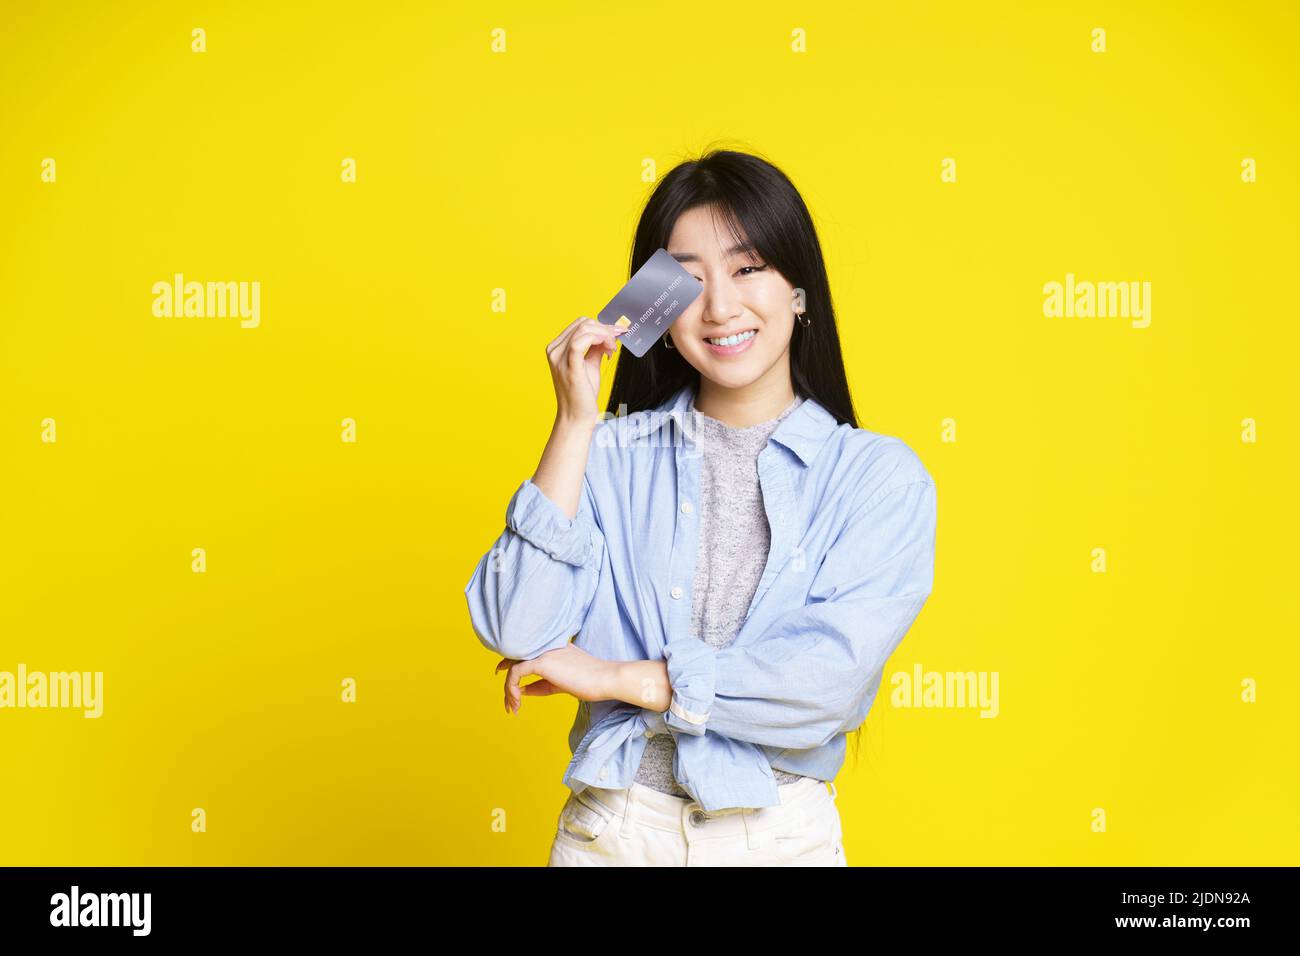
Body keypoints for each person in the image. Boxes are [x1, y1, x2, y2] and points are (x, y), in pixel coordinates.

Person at [464, 147, 937, 866]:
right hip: (612, 837)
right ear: (657, 305)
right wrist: (573, 424)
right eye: (687, 280)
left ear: (799, 289)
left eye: (750, 269)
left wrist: (626, 679)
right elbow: (515, 627)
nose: (720, 306)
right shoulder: (606, 457)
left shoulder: (878, 479)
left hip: (780, 841)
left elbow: (826, 684)